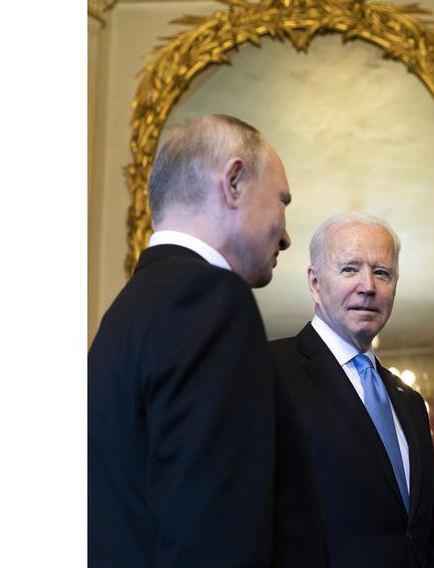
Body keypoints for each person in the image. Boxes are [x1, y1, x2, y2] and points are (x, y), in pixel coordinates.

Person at [89, 115, 325, 567]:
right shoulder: (210, 300)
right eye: (282, 201)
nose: (288, 234)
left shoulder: (120, 320)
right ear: (233, 181)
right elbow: (214, 539)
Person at [270, 212, 434, 567]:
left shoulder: (411, 403)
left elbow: (426, 535)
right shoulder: (269, 371)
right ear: (314, 282)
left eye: (381, 272)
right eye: (349, 269)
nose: (368, 286)